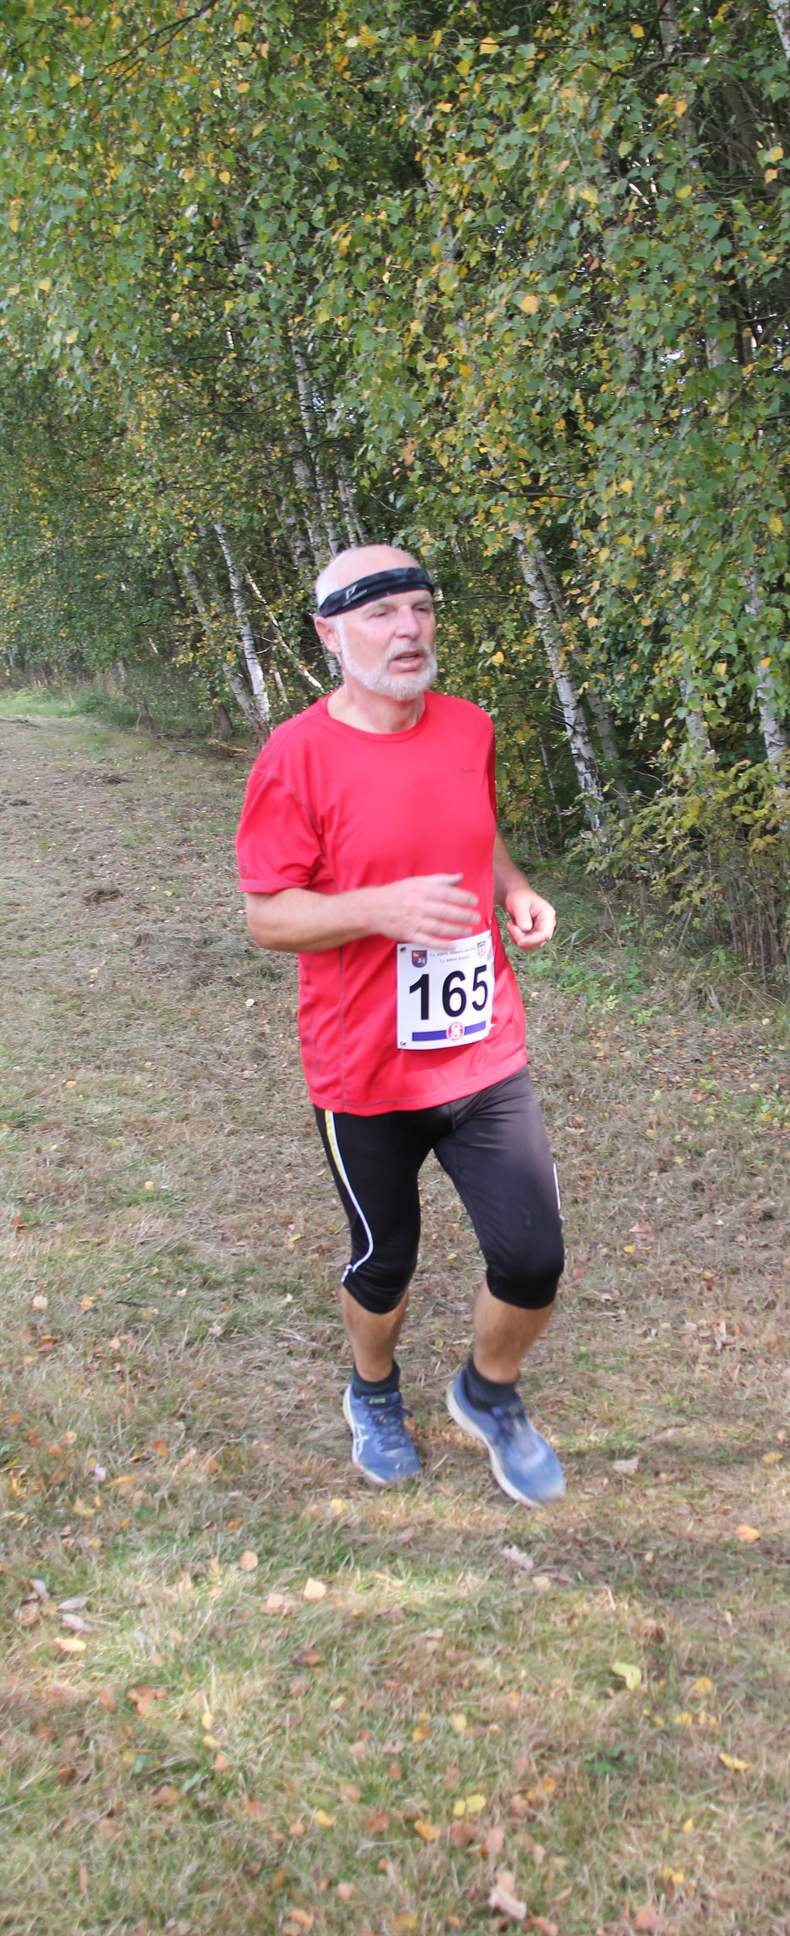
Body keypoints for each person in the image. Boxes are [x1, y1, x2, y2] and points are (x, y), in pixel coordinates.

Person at [235, 544, 566, 1504]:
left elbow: (475, 827)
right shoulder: (296, 756)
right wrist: (378, 909)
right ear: (329, 634)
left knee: (533, 1255)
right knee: (386, 1262)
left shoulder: (469, 726)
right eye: (380, 614)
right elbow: (266, 916)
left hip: (482, 1049)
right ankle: (373, 1390)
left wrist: (512, 886)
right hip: (365, 1069)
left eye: (420, 607)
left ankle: (487, 1391)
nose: (409, 629)